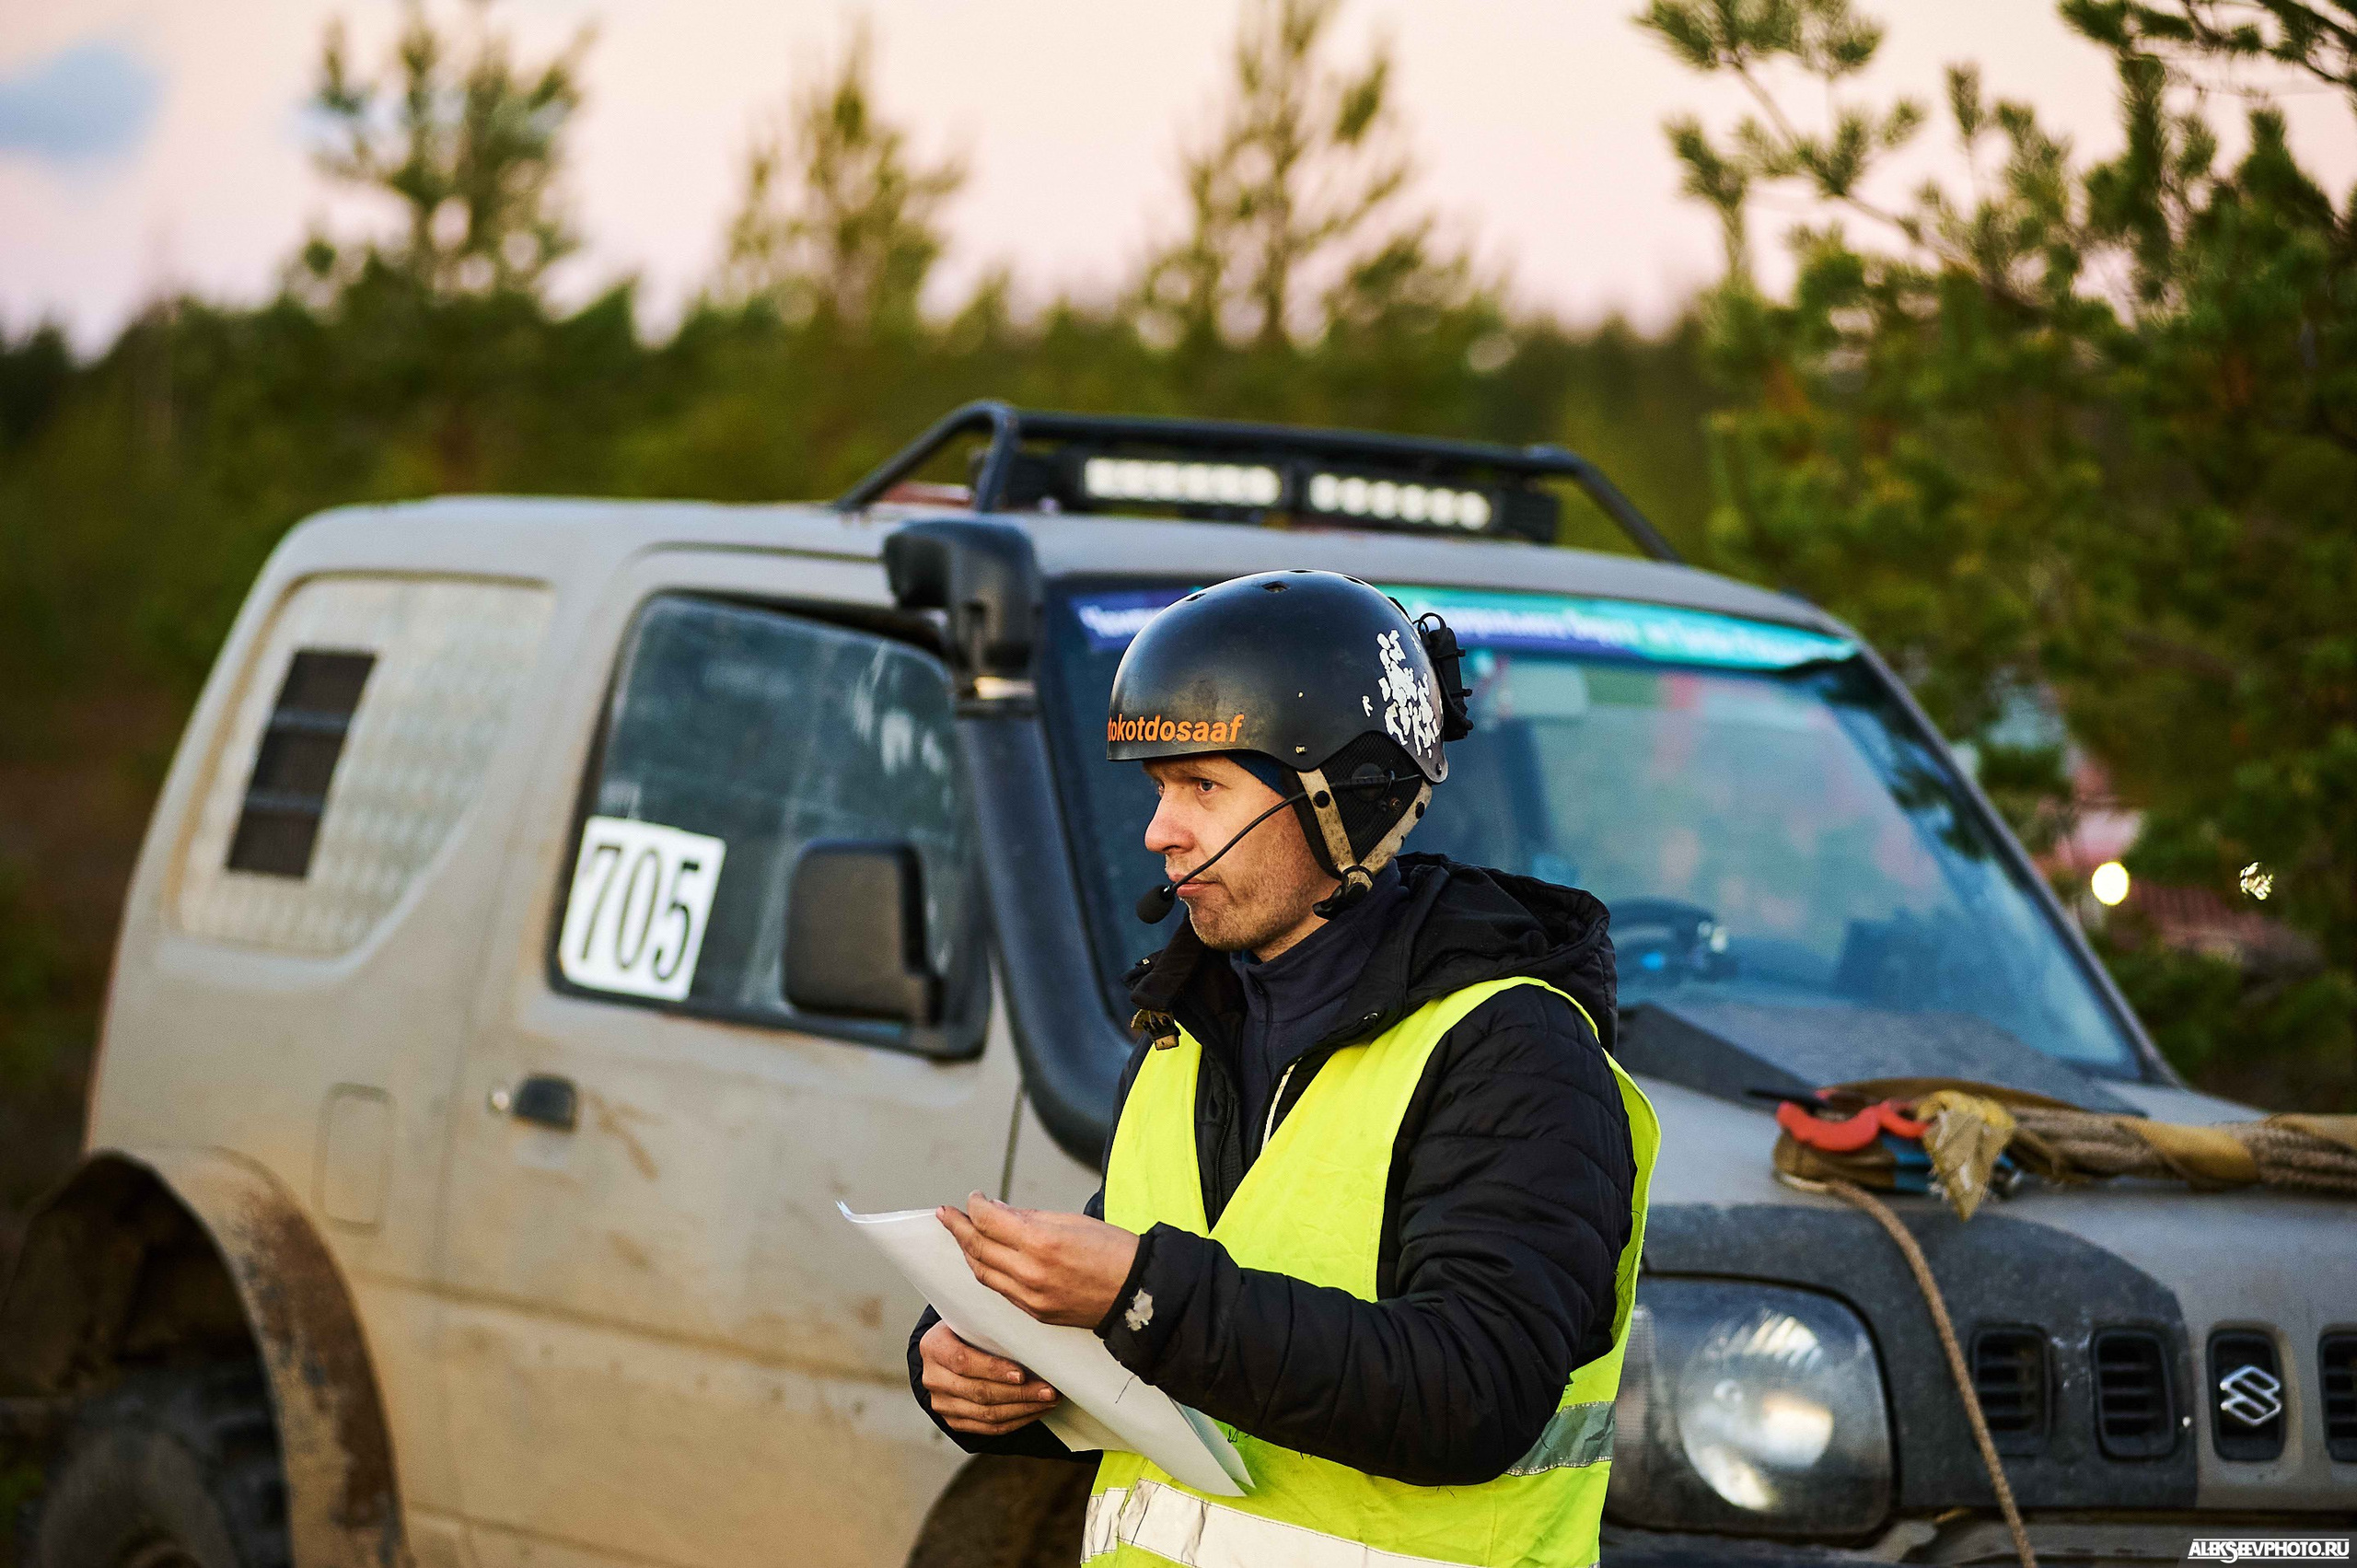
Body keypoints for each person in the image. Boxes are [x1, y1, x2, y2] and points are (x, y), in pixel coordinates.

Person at [907, 570, 1657, 1568]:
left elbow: (1475, 1392)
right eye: (1158, 787)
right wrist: (979, 1369)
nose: (1158, 831)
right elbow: (1171, 1318)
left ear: (1343, 797)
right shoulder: (1189, 1028)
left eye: (1205, 786)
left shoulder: (1514, 1047)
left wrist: (1138, 1294)